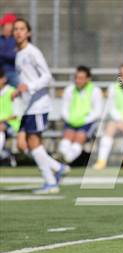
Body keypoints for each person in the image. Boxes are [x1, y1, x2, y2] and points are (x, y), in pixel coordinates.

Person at [13, 18, 69, 194]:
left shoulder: (32, 52)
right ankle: (57, 168)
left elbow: (47, 76)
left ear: (28, 33)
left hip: (39, 106)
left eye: (22, 29)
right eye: (15, 29)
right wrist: (19, 92)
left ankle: (51, 182)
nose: (18, 32)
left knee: (34, 143)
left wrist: (28, 87)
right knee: (24, 145)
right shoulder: (19, 54)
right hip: (28, 106)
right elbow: (26, 80)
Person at [58, 65, 103, 164]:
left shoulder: (95, 91)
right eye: (77, 78)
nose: (78, 80)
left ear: (88, 79)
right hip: (71, 121)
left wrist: (83, 120)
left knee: (79, 137)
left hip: (87, 122)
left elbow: (97, 112)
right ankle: (61, 160)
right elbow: (64, 108)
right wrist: (70, 119)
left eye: (81, 78)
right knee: (67, 136)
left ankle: (66, 161)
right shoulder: (69, 90)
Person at [0, 68, 20, 161]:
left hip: (12, 124)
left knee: (1, 127)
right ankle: (6, 155)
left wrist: (2, 120)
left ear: (4, 79)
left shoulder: (12, 92)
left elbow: (16, 114)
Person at [0, 12, 18, 87]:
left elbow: (14, 56)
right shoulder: (1, 39)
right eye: (3, 25)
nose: (4, 27)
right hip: (1, 73)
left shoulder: (16, 39)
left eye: (6, 24)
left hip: (13, 72)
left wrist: (1, 54)